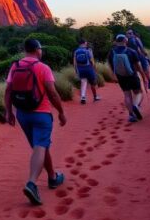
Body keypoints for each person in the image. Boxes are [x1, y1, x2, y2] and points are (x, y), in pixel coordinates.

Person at [5, 38, 67, 206]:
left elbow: (8, 91)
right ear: (38, 50)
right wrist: (61, 112)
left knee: (40, 146)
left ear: (25, 50)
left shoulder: (15, 66)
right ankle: (32, 183)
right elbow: (53, 93)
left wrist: (9, 112)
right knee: (40, 146)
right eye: (41, 49)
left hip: (22, 115)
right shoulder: (43, 67)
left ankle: (53, 177)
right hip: (41, 114)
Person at [110, 34, 145, 122]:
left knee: (127, 95)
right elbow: (138, 66)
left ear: (117, 41)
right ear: (125, 41)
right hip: (132, 75)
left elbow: (111, 66)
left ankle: (131, 115)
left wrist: (114, 75)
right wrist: (143, 77)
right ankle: (135, 105)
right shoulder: (131, 51)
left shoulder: (112, 52)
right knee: (139, 92)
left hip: (120, 76)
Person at [73, 39, 100, 104]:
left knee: (83, 83)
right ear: (84, 43)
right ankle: (95, 97)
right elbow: (92, 61)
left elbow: (74, 62)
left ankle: (83, 97)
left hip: (80, 69)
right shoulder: (88, 51)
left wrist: (76, 70)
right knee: (92, 83)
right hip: (89, 68)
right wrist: (94, 69)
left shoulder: (76, 51)